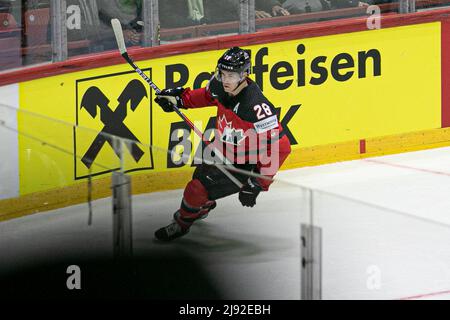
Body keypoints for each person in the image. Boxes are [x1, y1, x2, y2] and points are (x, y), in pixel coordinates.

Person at [153, 47, 292, 241]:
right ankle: (203, 207)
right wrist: (180, 99)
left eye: (232, 75)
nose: (226, 80)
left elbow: (282, 147)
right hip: (221, 151)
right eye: (223, 73)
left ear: (244, 74)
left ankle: (182, 224)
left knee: (195, 189)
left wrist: (258, 182)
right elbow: (207, 96)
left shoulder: (255, 107)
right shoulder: (220, 85)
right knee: (200, 180)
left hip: (242, 165)